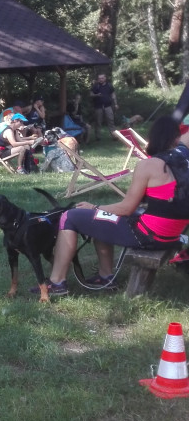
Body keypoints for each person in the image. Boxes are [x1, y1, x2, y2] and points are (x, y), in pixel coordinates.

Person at [41, 117, 189, 296]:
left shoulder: (148, 165)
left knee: (70, 216)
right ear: (175, 139)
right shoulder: (183, 160)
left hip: (149, 235)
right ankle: (106, 277)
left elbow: (126, 208)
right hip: (172, 234)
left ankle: (56, 283)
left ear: (153, 138)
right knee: (101, 219)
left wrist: (94, 206)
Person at [90, 73, 118, 140]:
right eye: (99, 78)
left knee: (111, 121)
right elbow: (91, 94)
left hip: (108, 106)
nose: (100, 80)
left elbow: (113, 95)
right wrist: (96, 95)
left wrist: (116, 104)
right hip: (98, 107)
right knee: (98, 122)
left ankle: (114, 136)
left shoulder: (109, 85)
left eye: (102, 78)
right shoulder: (96, 86)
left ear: (105, 78)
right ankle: (98, 137)